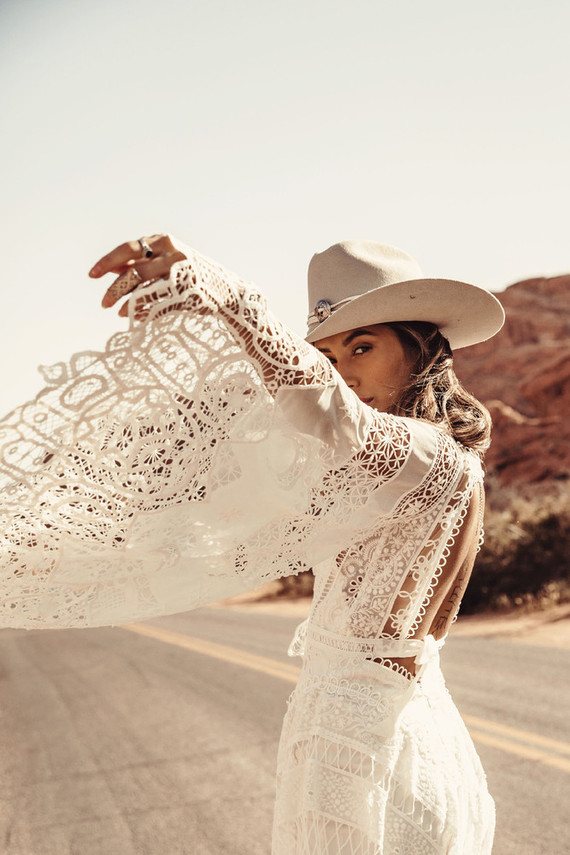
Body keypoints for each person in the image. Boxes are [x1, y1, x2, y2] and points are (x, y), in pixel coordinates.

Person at [0, 234, 505, 854]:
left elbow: (325, 408)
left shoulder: (428, 458)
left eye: (363, 346)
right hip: (384, 727)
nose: (344, 371)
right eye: (328, 353)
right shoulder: (400, 476)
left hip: (361, 745)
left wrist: (228, 295)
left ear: (423, 348)